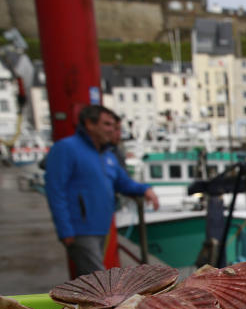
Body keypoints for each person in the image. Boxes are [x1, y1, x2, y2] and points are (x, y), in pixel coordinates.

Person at [44, 105, 159, 276]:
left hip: (101, 227)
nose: (112, 129)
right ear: (89, 124)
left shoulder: (107, 155)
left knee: (87, 280)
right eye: (106, 124)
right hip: (80, 229)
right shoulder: (66, 148)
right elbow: (55, 190)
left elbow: (124, 183)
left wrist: (145, 189)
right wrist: (65, 229)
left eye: (113, 125)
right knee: (97, 279)